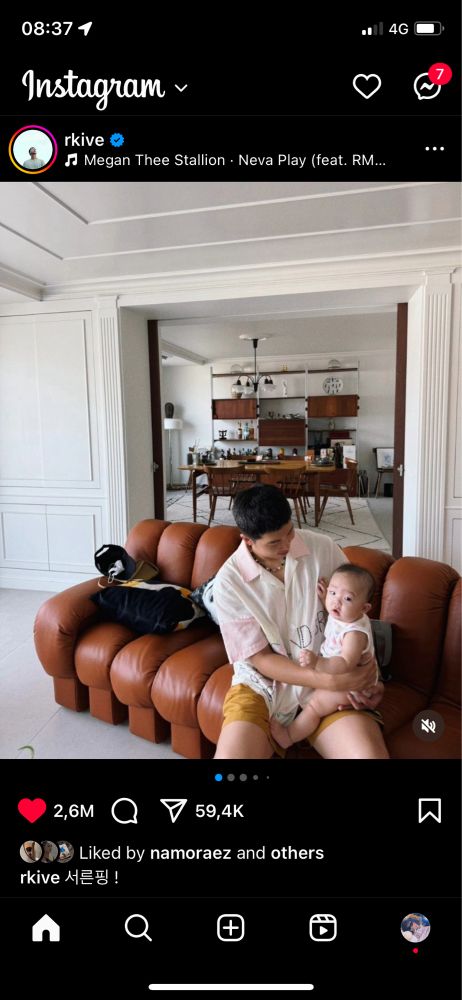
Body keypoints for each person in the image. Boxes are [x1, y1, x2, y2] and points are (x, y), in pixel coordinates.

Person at [213, 484, 388, 759]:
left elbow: (355, 615)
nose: (287, 545)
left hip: (330, 679)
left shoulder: (322, 548)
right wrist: (328, 681)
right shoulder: (228, 582)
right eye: (274, 542)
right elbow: (261, 659)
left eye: (290, 532)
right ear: (247, 540)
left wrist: (371, 677)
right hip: (262, 686)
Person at [270, 564, 377, 749]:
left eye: (347, 598)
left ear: (364, 608)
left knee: (314, 706)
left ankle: (289, 736)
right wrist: (325, 598)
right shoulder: (347, 615)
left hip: (352, 687)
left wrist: (317, 662)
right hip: (343, 678)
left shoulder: (355, 634)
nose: (337, 602)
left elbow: (345, 663)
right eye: (333, 593)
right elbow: (336, 615)